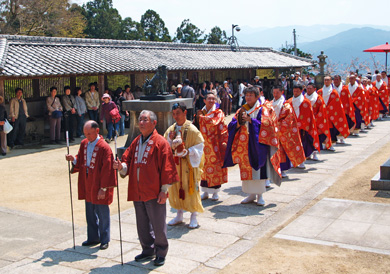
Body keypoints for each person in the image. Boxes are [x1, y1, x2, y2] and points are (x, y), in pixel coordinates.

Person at [114, 110, 178, 267]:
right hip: (137, 189)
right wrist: (120, 166)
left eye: (145, 120)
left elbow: (167, 168)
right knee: (142, 224)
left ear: (154, 123)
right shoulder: (136, 141)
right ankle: (147, 249)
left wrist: (164, 191)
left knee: (158, 223)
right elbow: (127, 161)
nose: (141, 123)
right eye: (140, 120)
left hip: (154, 190)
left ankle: (161, 251)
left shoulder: (161, 142)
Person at [224, 86, 281, 206]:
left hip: (258, 144)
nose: (248, 97)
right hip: (244, 145)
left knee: (259, 170)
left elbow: (268, 125)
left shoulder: (263, 109)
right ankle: (250, 194)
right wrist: (239, 123)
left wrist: (252, 121)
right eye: (247, 95)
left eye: (251, 95)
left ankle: (260, 195)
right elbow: (232, 125)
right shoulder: (242, 110)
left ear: (257, 96)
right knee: (247, 170)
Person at [65, 120, 116, 250]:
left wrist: (103, 188)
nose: (87, 136)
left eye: (89, 134)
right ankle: (93, 237)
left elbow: (107, 170)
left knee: (102, 210)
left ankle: (105, 238)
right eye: (85, 134)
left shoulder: (104, 147)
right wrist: (74, 159)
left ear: (97, 131)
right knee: (90, 211)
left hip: (99, 181)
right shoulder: (84, 144)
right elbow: (80, 158)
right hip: (87, 179)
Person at [164, 102, 204, 229]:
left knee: (191, 188)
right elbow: (165, 145)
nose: (176, 116)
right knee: (175, 189)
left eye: (178, 113)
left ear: (185, 113)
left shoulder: (192, 129)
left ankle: (193, 216)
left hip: (189, 166)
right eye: (174, 114)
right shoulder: (170, 130)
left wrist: (188, 152)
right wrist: (170, 141)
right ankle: (179, 214)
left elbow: (200, 147)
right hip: (175, 166)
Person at [196, 92, 228, 201]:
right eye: (208, 98)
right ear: (204, 100)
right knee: (203, 166)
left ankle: (215, 193)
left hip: (215, 143)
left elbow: (215, 123)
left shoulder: (218, 113)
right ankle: (205, 191)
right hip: (203, 144)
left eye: (213, 99)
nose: (211, 101)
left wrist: (202, 118)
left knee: (215, 167)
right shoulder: (201, 112)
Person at [272, 86, 305, 177]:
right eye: (274, 93)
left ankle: (282, 170)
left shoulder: (286, 105)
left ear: (282, 92)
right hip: (272, 131)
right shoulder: (270, 103)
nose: (275, 95)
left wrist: (279, 126)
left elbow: (289, 119)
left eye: (277, 93)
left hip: (282, 131)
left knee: (283, 151)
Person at [286, 84, 320, 169]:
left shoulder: (306, 102)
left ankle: (301, 161)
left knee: (302, 144)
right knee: (292, 145)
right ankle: (293, 161)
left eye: (297, 91)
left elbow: (309, 115)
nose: (295, 92)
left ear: (301, 91)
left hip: (303, 128)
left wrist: (302, 124)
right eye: (294, 91)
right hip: (291, 127)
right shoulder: (289, 102)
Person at [317, 76, 350, 147]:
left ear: (331, 81)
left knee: (330, 128)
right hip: (322, 113)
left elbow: (336, 103)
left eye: (328, 80)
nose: (326, 81)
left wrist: (328, 109)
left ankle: (331, 144)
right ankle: (323, 143)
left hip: (331, 113)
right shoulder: (319, 92)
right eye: (325, 80)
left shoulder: (334, 92)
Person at [304, 83, 332, 158]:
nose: (309, 90)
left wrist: (315, 119)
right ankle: (308, 154)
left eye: (310, 88)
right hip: (306, 122)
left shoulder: (319, 98)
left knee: (316, 138)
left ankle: (315, 153)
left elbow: (322, 111)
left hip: (317, 121)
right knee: (307, 138)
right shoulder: (303, 97)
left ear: (314, 89)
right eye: (308, 88)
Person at [335, 75, 356, 140]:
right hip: (334, 109)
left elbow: (348, 99)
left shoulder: (345, 89)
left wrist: (349, 109)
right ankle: (334, 138)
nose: (336, 81)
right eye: (335, 79)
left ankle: (342, 138)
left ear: (340, 80)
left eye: (337, 79)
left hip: (343, 109)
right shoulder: (331, 89)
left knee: (343, 123)